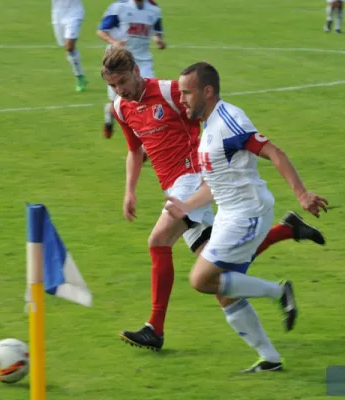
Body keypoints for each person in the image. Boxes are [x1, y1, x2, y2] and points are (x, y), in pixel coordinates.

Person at [101, 47, 326, 355]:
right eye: (113, 86)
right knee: (216, 269)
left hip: (192, 179)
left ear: (136, 71)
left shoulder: (169, 92)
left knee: (158, 241)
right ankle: (287, 232)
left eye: (123, 82)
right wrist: (130, 191)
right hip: (173, 187)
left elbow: (203, 114)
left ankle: (155, 328)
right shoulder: (121, 107)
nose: (120, 90)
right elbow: (134, 150)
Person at [164, 61, 329, 372]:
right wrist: (185, 208)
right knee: (223, 291)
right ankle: (270, 359)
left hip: (248, 213)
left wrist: (302, 194)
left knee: (201, 279)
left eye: (187, 92)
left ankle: (279, 292)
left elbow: (275, 153)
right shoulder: (208, 128)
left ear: (207, 91)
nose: (182, 98)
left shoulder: (230, 120)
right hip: (229, 214)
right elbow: (214, 185)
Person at [97, 0, 165, 139]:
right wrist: (114, 42)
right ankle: (109, 116)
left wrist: (158, 40)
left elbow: (155, 31)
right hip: (119, 60)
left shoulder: (154, 9)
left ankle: (146, 138)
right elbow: (101, 31)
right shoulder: (119, 7)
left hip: (143, 61)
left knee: (147, 96)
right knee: (117, 101)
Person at [52, 0, 88, 92]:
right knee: (66, 48)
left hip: (74, 12)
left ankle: (79, 76)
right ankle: (80, 75)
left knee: (69, 46)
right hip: (58, 15)